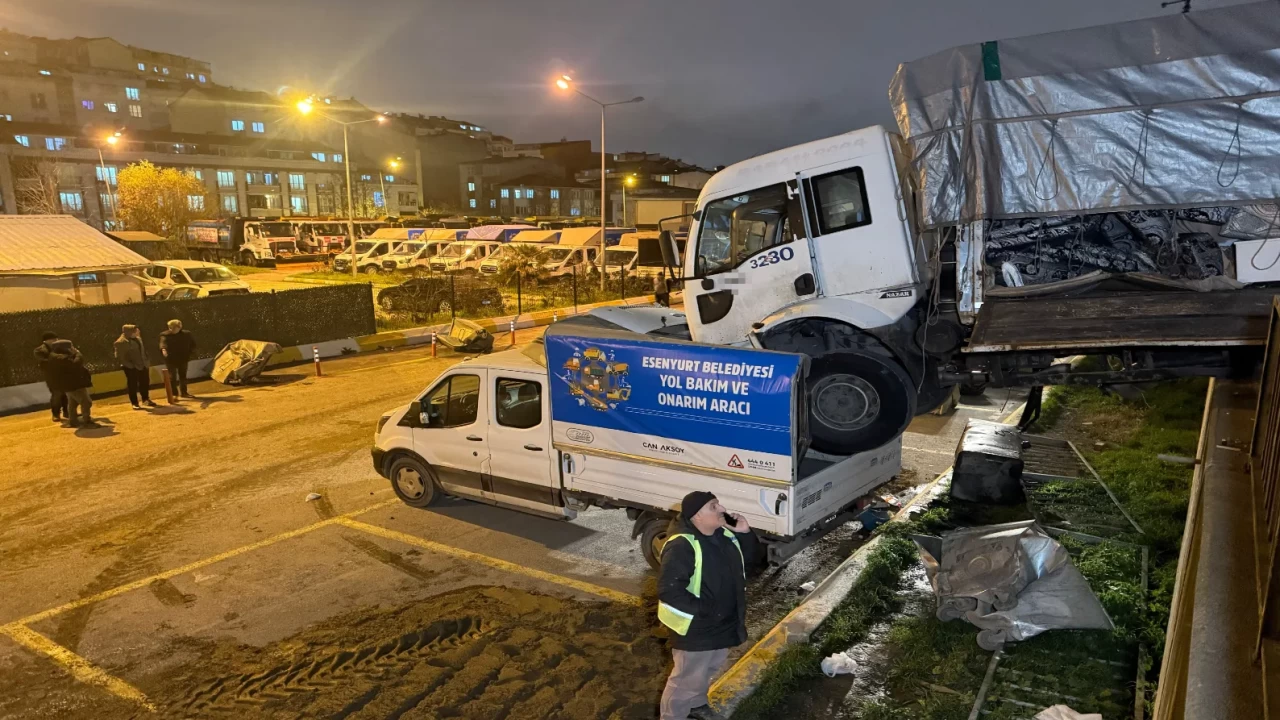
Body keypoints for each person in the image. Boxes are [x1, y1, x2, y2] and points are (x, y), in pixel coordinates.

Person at [658, 491, 759, 720]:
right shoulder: (682, 545)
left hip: (722, 622)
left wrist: (744, 534)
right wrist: (707, 611)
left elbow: (752, 562)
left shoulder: (724, 535)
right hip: (697, 628)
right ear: (696, 517)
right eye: (713, 506)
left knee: (708, 670)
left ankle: (697, 706)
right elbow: (670, 591)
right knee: (685, 682)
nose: (722, 508)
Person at [47, 339, 96, 428]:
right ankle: (87, 421)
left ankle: (73, 421)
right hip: (74, 384)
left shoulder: (55, 356)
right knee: (86, 402)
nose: (72, 348)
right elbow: (75, 364)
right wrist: (78, 354)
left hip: (69, 384)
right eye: (70, 347)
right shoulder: (59, 358)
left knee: (72, 403)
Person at [114, 324, 155, 410]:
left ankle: (145, 399)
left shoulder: (138, 339)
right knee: (132, 385)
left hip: (143, 365)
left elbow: (143, 351)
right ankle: (135, 403)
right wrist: (130, 366)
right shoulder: (120, 342)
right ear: (129, 332)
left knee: (145, 382)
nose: (138, 331)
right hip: (131, 368)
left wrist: (147, 360)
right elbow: (120, 357)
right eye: (135, 330)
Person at [33, 331, 70, 422]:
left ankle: (67, 412)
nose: (56, 340)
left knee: (66, 393)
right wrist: (58, 358)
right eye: (53, 339)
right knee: (56, 394)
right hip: (52, 376)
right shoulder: (39, 350)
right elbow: (46, 361)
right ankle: (56, 414)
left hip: (63, 374)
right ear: (46, 340)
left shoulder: (59, 347)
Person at [159, 319, 196, 399]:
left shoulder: (187, 334)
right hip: (171, 359)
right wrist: (163, 349)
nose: (171, 329)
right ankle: (174, 394)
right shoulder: (165, 335)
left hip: (183, 358)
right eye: (170, 327)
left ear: (179, 327)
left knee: (183, 376)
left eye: (173, 328)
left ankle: (184, 393)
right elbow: (163, 343)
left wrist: (190, 353)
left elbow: (193, 344)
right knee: (172, 377)